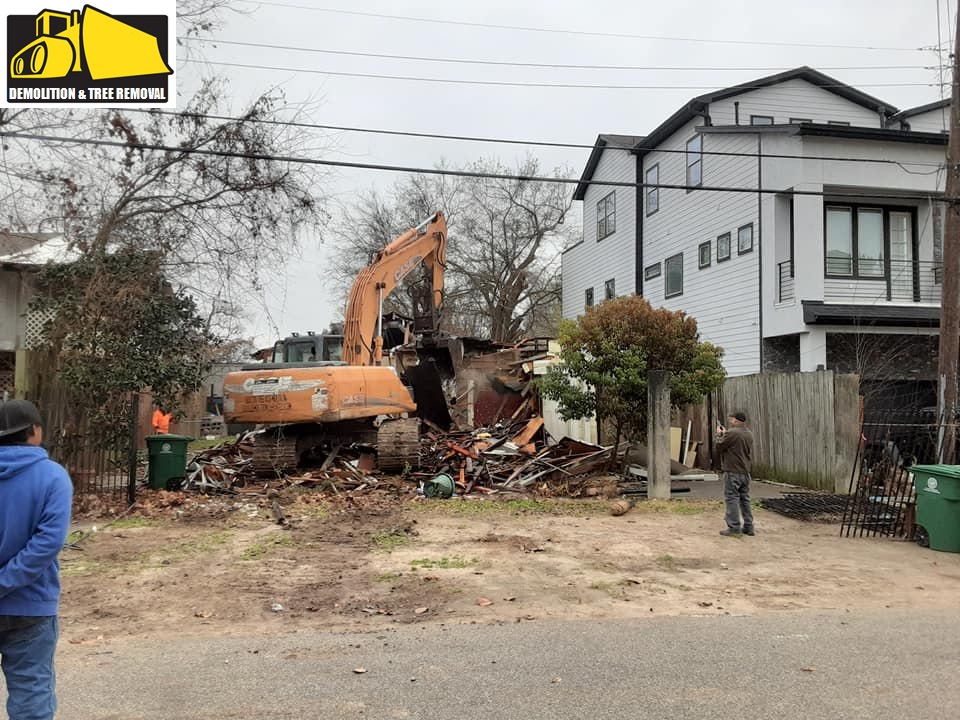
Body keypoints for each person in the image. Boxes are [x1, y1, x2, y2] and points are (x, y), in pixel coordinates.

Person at [0, 399, 73, 719]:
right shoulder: (53, 477)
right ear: (35, 431)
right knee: (31, 696)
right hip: (31, 605)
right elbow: (46, 544)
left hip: (30, 605)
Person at [715, 411, 754, 537]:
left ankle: (734, 527)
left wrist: (719, 434)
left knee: (731, 498)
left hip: (733, 471)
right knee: (745, 499)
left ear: (736, 420)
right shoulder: (749, 433)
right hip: (745, 471)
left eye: (731, 420)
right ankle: (749, 526)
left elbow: (719, 446)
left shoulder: (732, 433)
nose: (730, 422)